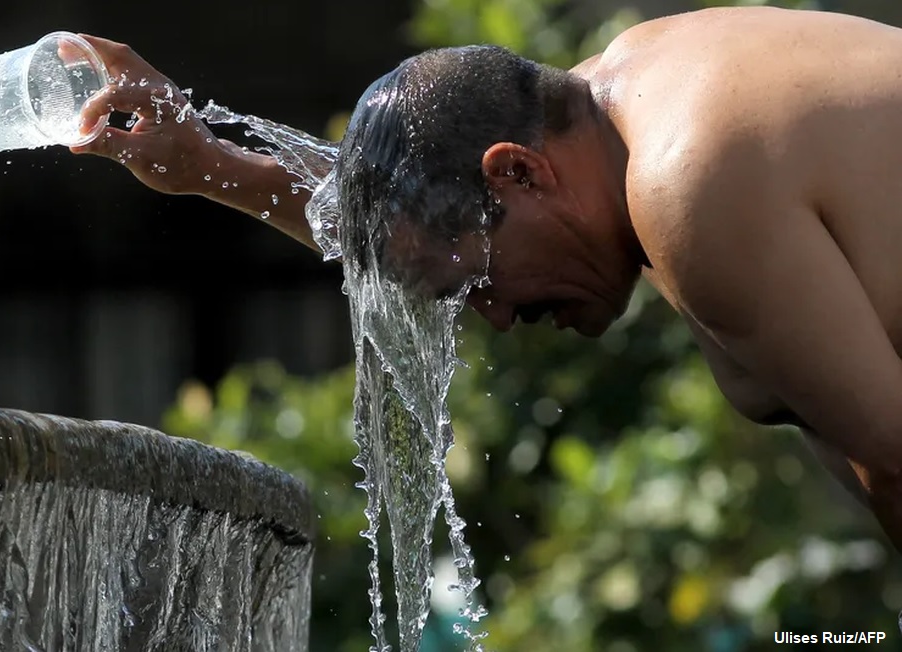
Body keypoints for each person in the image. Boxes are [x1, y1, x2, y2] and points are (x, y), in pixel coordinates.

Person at [66, 5, 902, 551]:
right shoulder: (628, 93)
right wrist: (209, 163)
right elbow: (425, 223)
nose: (495, 317)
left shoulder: (688, 187)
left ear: (520, 175)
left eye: (475, 286)